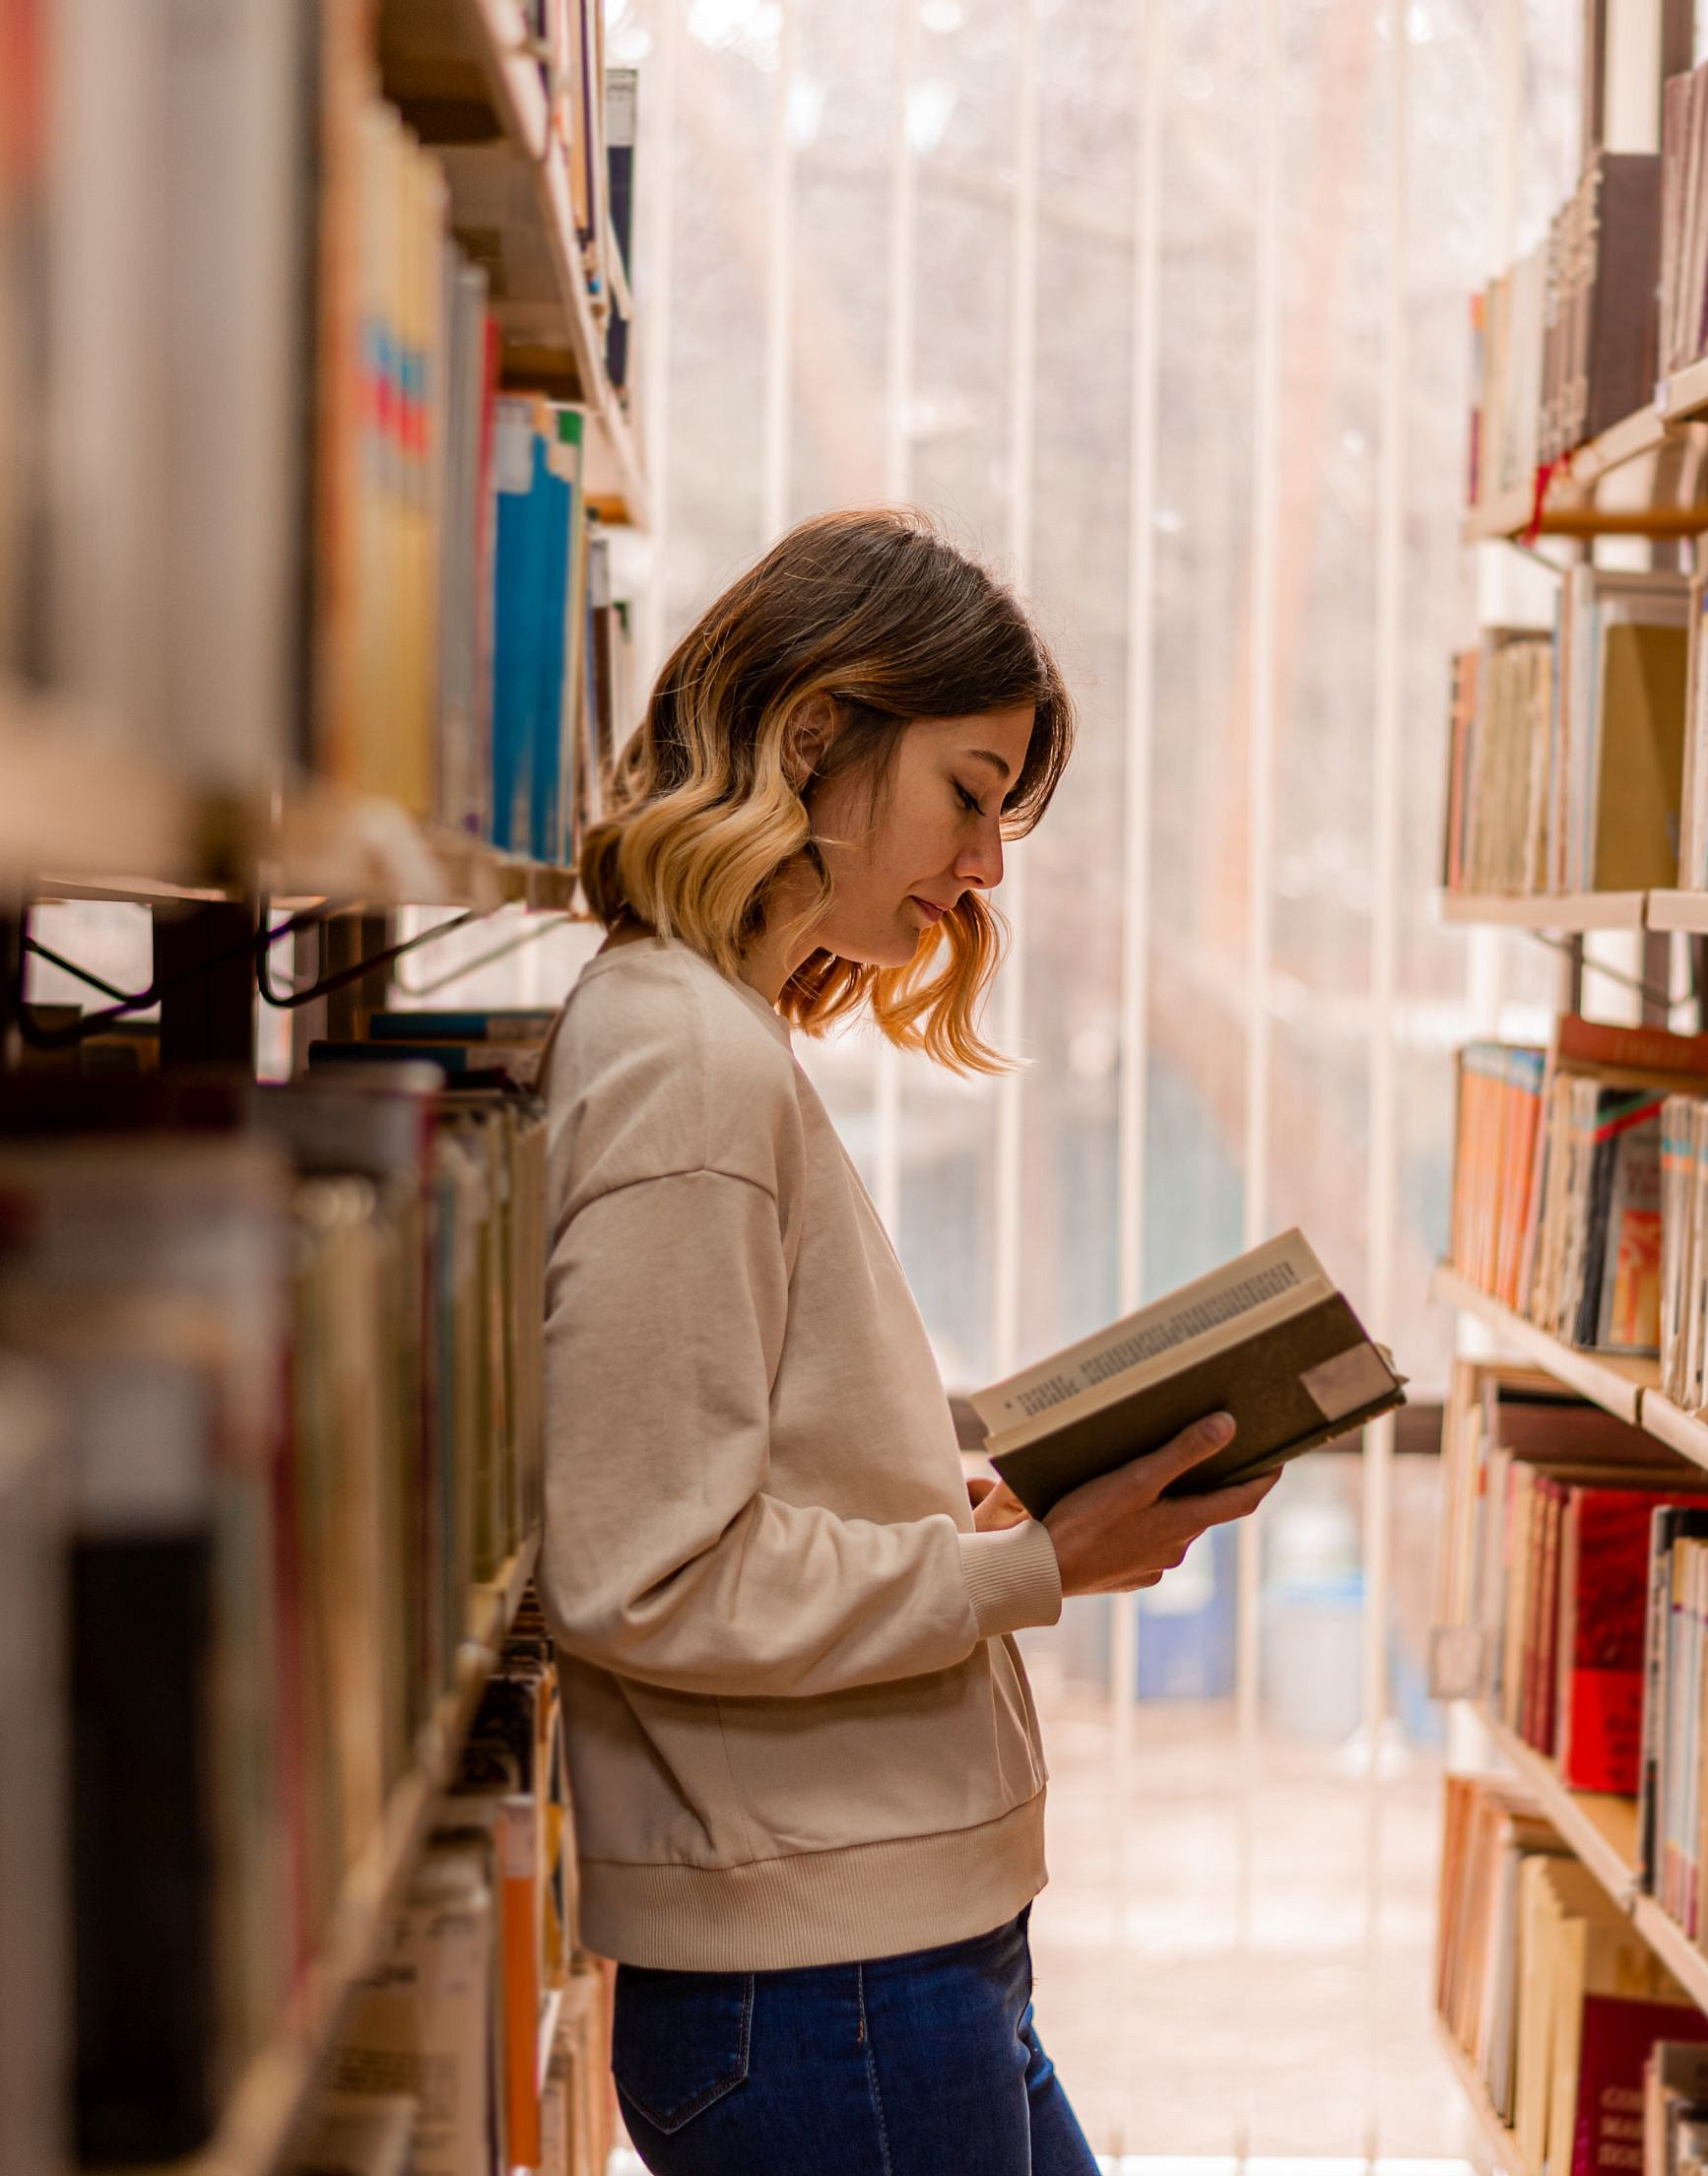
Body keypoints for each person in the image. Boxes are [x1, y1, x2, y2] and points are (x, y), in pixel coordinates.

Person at [538, 507, 1280, 2175]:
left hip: (884, 1954)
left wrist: (949, 1512)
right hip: (827, 1979)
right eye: (970, 789)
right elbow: (649, 1570)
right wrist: (1031, 1568)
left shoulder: (709, 1036)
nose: (990, 865)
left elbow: (715, 1477)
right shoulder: (687, 1065)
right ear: (815, 740)